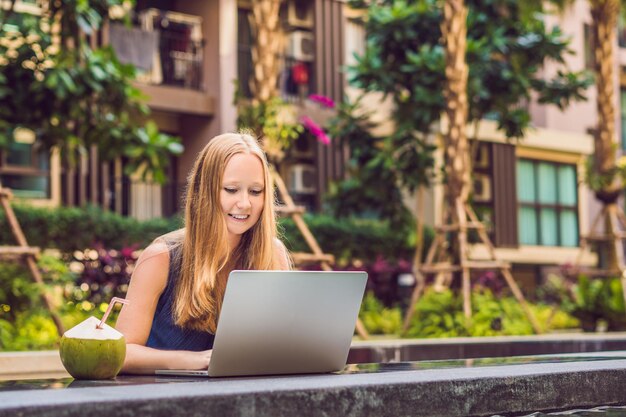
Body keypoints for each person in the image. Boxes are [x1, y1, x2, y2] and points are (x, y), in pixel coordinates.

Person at [116, 132, 291, 374]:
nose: (245, 203)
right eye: (231, 189)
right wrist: (190, 361)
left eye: (255, 191)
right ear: (205, 191)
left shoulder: (274, 254)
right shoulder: (161, 257)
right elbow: (121, 351)